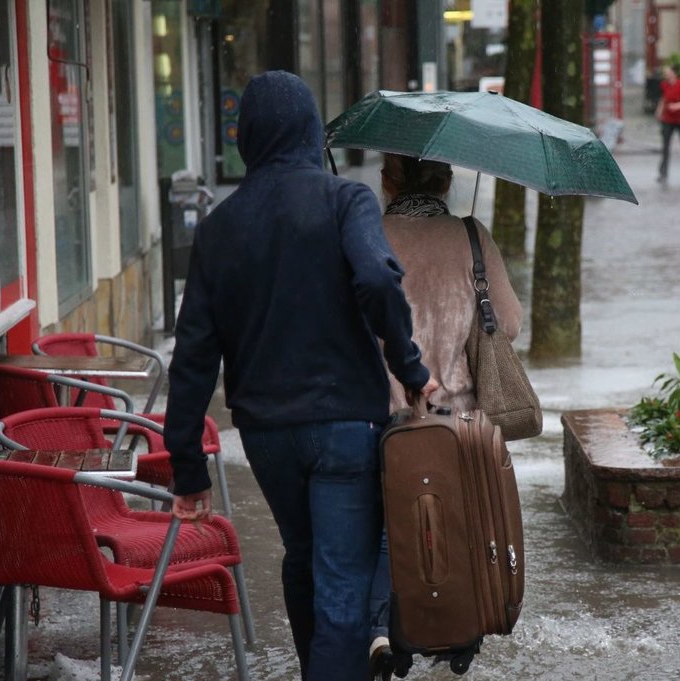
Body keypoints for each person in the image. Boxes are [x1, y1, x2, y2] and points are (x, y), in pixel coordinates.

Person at [163, 71, 438, 681]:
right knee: (342, 581)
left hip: (264, 434)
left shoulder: (216, 228)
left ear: (246, 137)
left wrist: (186, 463)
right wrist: (409, 367)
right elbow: (376, 280)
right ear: (313, 132)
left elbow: (193, 354)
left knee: (305, 559)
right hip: (344, 425)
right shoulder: (347, 200)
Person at [365, 153, 523, 680]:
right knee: (457, 525)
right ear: (448, 181)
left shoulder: (367, 233)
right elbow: (511, 324)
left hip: (382, 420)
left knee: (389, 531)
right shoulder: (472, 235)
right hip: (458, 423)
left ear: (387, 182)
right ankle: (458, 632)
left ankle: (390, 635)